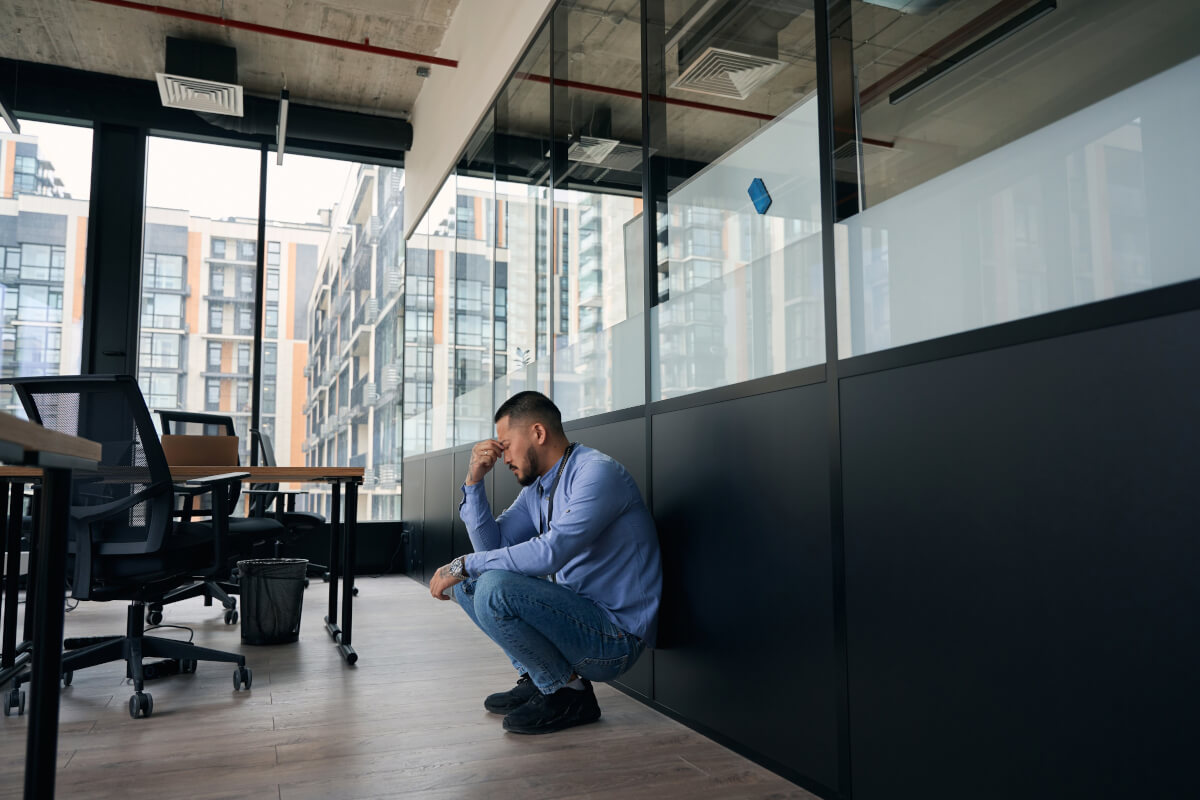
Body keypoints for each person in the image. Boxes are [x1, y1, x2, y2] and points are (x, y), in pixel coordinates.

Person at [428, 390, 662, 735]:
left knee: (491, 584)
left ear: (538, 434)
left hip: (614, 637)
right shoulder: (537, 490)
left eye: (506, 444)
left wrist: (463, 563)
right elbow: (491, 547)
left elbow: (551, 552)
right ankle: (542, 677)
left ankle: (569, 694)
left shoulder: (596, 474)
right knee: (471, 583)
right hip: (577, 618)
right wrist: (474, 480)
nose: (501, 455)